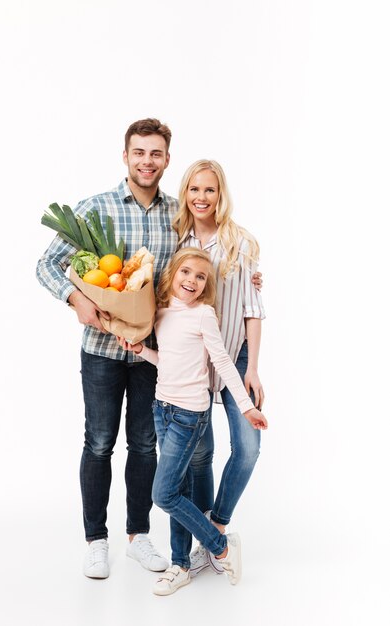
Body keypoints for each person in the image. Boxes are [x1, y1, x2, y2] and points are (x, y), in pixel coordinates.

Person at [36, 118, 179, 578]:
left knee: (144, 443)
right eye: (140, 152)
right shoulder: (94, 208)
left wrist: (248, 276)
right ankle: (96, 540)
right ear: (125, 156)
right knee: (98, 444)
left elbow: (202, 265)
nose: (147, 161)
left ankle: (138, 536)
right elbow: (46, 265)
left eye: (156, 154)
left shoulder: (177, 214)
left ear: (167, 160)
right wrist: (76, 298)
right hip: (100, 349)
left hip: (153, 352)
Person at [117, 247, 267, 595]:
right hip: (162, 409)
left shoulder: (203, 315)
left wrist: (246, 407)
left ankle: (220, 545)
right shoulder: (162, 311)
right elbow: (167, 358)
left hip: (189, 415)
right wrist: (142, 352)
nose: (192, 281)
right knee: (179, 488)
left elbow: (224, 364)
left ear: (206, 285)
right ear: (173, 273)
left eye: (201, 277)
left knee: (163, 493)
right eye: (187, 272)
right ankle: (180, 565)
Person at [172, 159, 266, 577]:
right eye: (194, 189)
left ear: (220, 194)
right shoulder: (177, 239)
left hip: (234, 359)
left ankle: (218, 524)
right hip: (193, 363)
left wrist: (254, 369)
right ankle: (201, 547)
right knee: (200, 455)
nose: (201, 198)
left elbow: (252, 308)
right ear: (185, 193)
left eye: (209, 190)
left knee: (247, 448)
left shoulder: (240, 243)